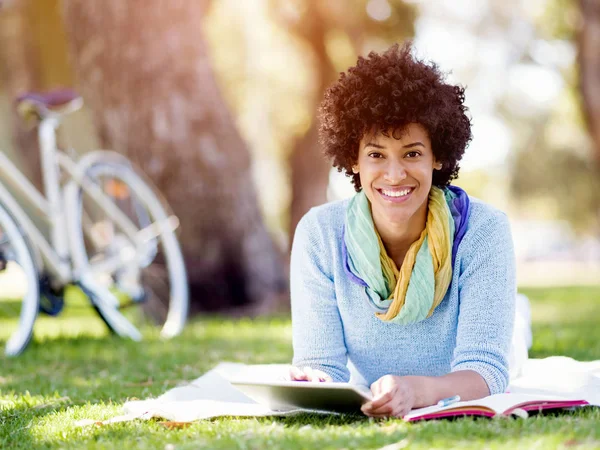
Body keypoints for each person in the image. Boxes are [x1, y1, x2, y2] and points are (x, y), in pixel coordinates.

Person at [288, 43, 519, 418]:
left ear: (438, 156)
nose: (394, 175)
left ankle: (516, 316)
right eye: (376, 155)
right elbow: (322, 366)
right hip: (393, 392)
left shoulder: (484, 230)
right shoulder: (320, 233)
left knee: (512, 342)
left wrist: (415, 389)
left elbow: (488, 370)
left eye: (412, 153)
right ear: (354, 160)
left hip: (460, 376)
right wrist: (313, 380)